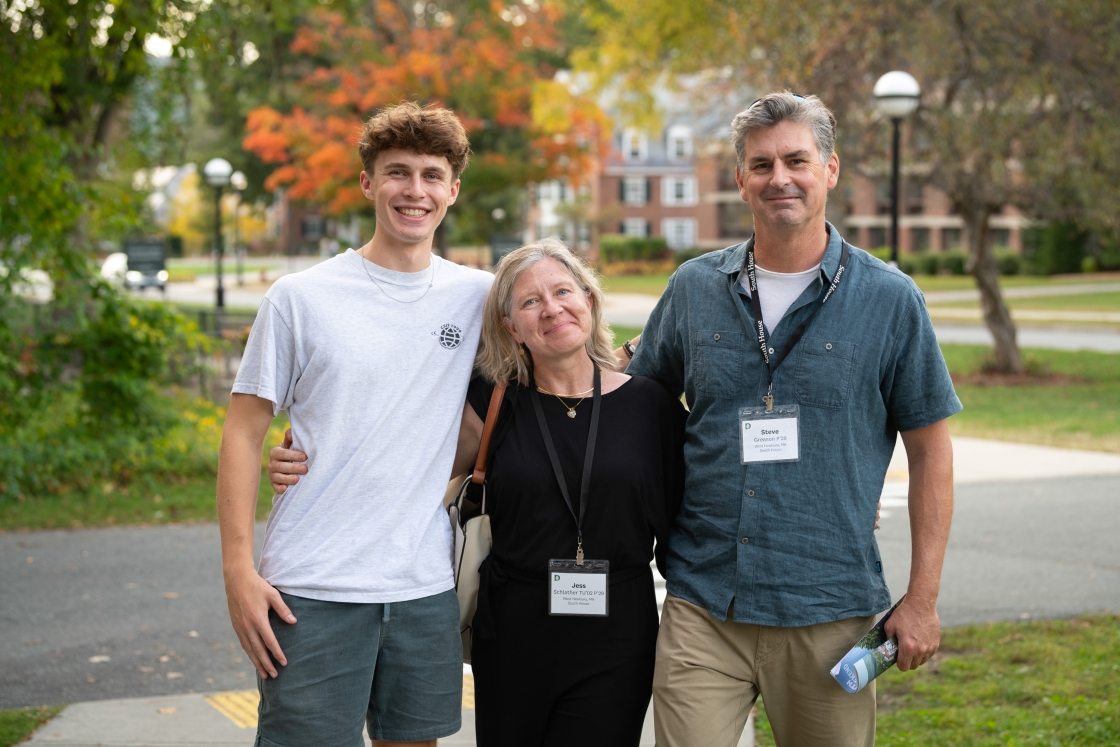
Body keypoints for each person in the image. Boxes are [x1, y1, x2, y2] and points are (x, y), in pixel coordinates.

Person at [629, 91, 961, 747]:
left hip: (828, 608)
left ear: (830, 170)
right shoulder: (693, 289)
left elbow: (931, 452)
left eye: (796, 160)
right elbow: (638, 410)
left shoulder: (891, 300)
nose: (779, 177)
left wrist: (921, 598)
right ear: (740, 180)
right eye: (762, 164)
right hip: (704, 599)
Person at [269, 239, 687, 746]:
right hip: (513, 630)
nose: (552, 308)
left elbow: (687, 517)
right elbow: (406, 466)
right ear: (512, 327)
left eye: (563, 291)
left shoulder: (650, 405)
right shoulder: (491, 403)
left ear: (590, 301)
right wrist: (309, 453)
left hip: (618, 631)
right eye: (530, 302)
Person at [217, 101, 492, 747]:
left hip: (424, 586)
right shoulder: (302, 296)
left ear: (453, 190)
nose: (414, 190)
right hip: (311, 585)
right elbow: (243, 430)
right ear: (368, 182)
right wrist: (237, 569)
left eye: (431, 175)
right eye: (398, 172)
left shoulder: (480, 296)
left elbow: (555, 359)